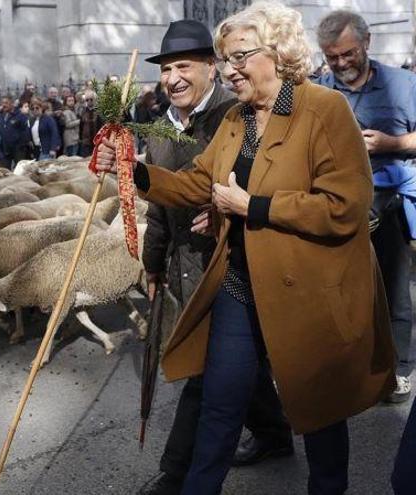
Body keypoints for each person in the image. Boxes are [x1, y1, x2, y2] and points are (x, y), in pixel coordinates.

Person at [95, 3, 396, 494]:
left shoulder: (324, 110)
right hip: (240, 282)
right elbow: (196, 181)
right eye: (225, 59)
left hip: (309, 291)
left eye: (239, 57)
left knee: (319, 413)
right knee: (220, 401)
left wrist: (254, 206)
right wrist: (133, 172)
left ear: (278, 53)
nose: (229, 69)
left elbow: (345, 205)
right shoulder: (237, 119)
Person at [135, 19, 291, 495]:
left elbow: (266, 182)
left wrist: (220, 207)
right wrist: (154, 262)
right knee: (235, 365)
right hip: (183, 262)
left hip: (230, 261)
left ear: (210, 69)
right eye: (165, 69)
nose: (172, 78)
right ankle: (274, 433)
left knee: (205, 372)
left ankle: (177, 473)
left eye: (184, 66)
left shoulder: (235, 112)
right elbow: (161, 203)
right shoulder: (161, 128)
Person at [315, 10, 416, 406]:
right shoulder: (319, 92)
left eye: (347, 53)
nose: (340, 63)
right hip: (334, 206)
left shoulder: (404, 84)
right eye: (332, 57)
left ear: (367, 42)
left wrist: (391, 145)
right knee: (336, 293)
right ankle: (347, 367)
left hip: (387, 205)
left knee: (393, 291)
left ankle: (399, 370)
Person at [0, 96, 31, 168]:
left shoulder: (20, 115)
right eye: (2, 103)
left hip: (18, 150)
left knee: (19, 170)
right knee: (5, 172)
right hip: (5, 149)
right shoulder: (0, 116)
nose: (4, 105)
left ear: (12, 104)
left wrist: (21, 145)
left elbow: (26, 132)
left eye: (6, 103)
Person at [79, 89, 102, 156]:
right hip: (86, 142)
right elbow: (81, 126)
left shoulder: (99, 112)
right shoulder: (83, 112)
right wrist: (81, 139)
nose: (89, 101)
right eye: (87, 100)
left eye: (91, 99)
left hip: (97, 141)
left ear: (95, 99)